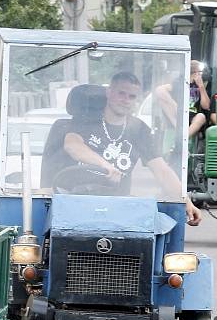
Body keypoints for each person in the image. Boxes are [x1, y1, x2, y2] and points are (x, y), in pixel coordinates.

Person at [63, 71, 202, 226]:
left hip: (118, 207)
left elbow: (162, 170)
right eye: (121, 93)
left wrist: (185, 200)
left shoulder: (139, 130)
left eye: (132, 96)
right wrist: (103, 164)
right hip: (78, 201)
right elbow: (72, 144)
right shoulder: (87, 119)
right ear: (109, 92)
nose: (126, 100)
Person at [155, 60, 211, 138]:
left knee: (201, 116)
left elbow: (206, 106)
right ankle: (178, 129)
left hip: (192, 116)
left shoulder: (200, 85)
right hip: (177, 115)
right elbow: (159, 90)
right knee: (162, 101)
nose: (200, 75)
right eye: (199, 72)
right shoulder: (180, 82)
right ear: (194, 72)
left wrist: (201, 86)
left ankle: (183, 138)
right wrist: (174, 104)